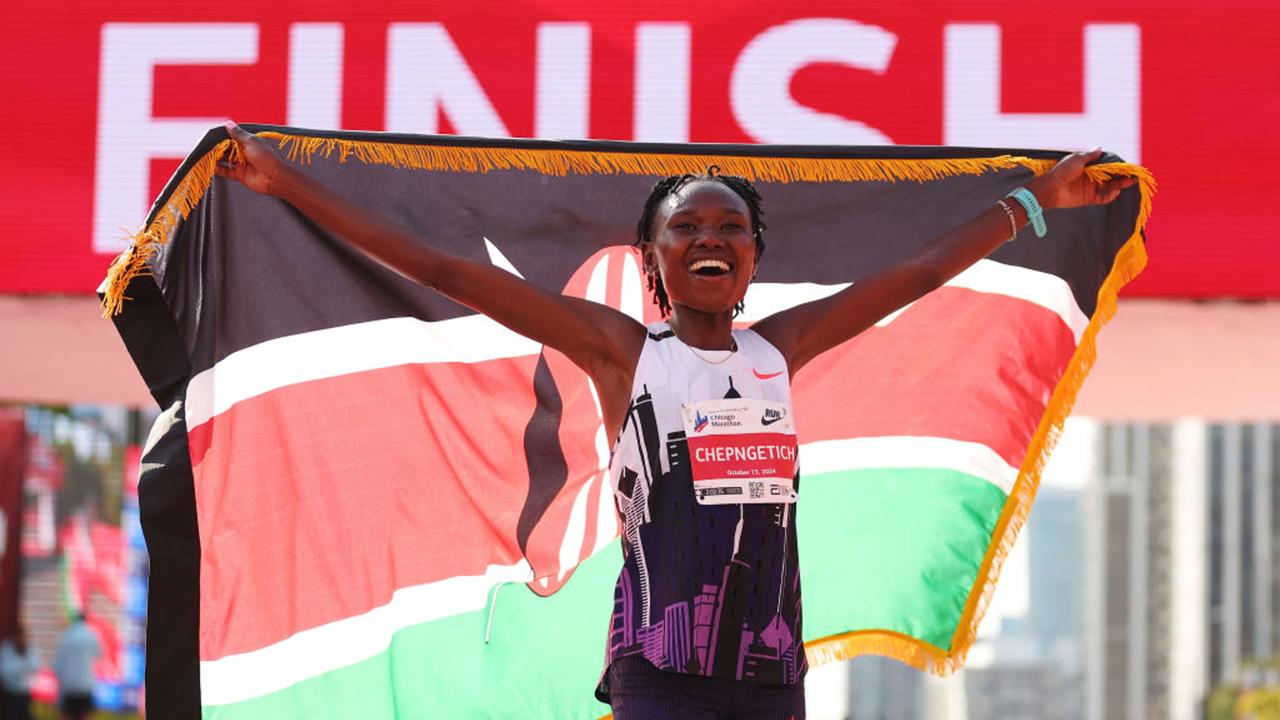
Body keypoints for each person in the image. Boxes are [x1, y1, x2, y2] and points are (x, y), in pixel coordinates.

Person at [217, 122, 1133, 719]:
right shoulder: (625, 353)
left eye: (730, 228)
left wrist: (1035, 203)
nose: (710, 237)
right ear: (654, 265)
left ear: (752, 261)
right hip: (662, 676)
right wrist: (288, 185)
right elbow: (450, 272)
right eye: (686, 227)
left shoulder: (781, 348)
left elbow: (920, 274)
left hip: (774, 679)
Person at [52, 614, 99, 720]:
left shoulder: (67, 636)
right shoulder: (91, 635)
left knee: (66, 715)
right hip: (85, 686)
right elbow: (99, 653)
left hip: (69, 686)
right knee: (85, 715)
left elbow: (57, 665)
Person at [0, 624, 40, 720]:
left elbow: (35, 667)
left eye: (24, 637)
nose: (22, 640)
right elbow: (5, 671)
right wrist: (22, 666)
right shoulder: (7, 648)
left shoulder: (31, 649)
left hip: (26, 696)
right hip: (10, 695)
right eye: (19, 637)